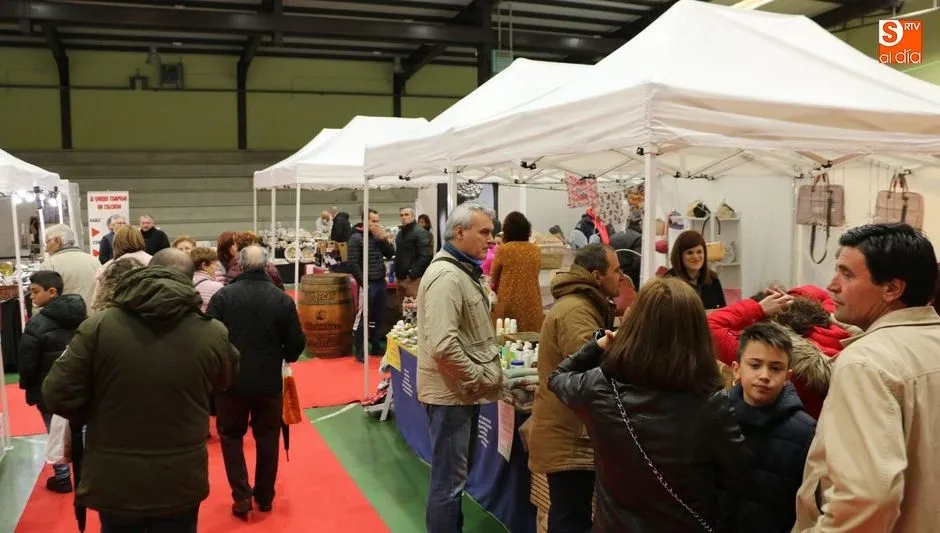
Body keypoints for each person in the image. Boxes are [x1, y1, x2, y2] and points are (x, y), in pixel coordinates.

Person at [42, 264, 240, 533]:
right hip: (180, 476)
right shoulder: (212, 332)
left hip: (115, 477)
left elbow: (56, 393)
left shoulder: (99, 327)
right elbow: (226, 379)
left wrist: (92, 414)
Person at [548, 276, 747, 532]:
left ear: (636, 326)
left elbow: (558, 377)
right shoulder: (712, 405)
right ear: (696, 334)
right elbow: (737, 478)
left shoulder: (600, 387)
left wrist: (598, 345)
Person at [794, 223, 940, 533]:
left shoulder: (865, 362)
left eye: (847, 274)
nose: (832, 285)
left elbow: (865, 501)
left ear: (892, 288)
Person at [417, 202, 504, 533]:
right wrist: (478, 377)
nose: (490, 239)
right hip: (451, 394)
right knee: (449, 483)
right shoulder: (447, 276)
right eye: (484, 232)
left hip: (456, 391)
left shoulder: (461, 270)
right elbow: (443, 346)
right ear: (459, 232)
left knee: (453, 480)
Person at [528, 244, 623, 532]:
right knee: (571, 518)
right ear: (596, 275)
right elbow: (589, 373)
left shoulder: (582, 306)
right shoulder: (577, 311)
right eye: (617, 270)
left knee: (571, 513)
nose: (621, 277)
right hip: (570, 434)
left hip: (571, 430)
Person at [207, 245, 305, 519]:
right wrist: (284, 355)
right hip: (268, 381)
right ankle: (265, 495)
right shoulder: (281, 299)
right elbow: (296, 343)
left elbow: (210, 336)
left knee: (230, 436)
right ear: (267, 265)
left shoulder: (223, 297)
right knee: (268, 436)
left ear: (239, 265)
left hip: (230, 380)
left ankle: (241, 495)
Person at [708, 285, 850, 418]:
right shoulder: (842, 333)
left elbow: (709, 326)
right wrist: (792, 300)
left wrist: (758, 309)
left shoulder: (768, 351)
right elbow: (821, 294)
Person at [728, 322, 815, 533]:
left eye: (775, 368)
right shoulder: (715, 416)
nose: (765, 375)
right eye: (755, 365)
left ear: (787, 377)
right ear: (736, 369)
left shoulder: (805, 431)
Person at [17, 270, 87, 493]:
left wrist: (27, 385)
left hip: (48, 389)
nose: (31, 296)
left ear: (52, 291)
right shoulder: (84, 318)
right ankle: (87, 475)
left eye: (35, 291)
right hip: (80, 386)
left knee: (55, 432)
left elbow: (27, 361)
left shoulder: (37, 324)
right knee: (83, 430)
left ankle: (63, 477)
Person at [348, 209, 395, 360]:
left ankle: (375, 345)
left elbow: (390, 253)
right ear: (365, 221)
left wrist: (382, 239)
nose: (376, 224)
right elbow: (353, 263)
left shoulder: (377, 237)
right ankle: (360, 350)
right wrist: (363, 283)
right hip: (367, 283)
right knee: (363, 317)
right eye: (373, 221)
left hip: (380, 281)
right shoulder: (356, 238)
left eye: (377, 221)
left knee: (378, 316)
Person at [490, 211, 545, 333]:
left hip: (509, 301)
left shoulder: (503, 250)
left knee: (510, 335)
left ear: (507, 230)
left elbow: (493, 277)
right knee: (531, 338)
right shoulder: (535, 250)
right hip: (533, 301)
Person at [40, 224, 101, 309]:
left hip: (64, 316)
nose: (46, 249)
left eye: (47, 242)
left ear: (57, 241)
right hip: (93, 315)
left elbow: (43, 300)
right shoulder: (94, 261)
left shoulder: (49, 265)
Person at [665, 230, 725, 310]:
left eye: (699, 252)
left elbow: (724, 311)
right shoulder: (667, 282)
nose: (696, 257)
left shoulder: (713, 278)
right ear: (679, 256)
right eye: (690, 253)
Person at [394, 207, 432, 298]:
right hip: (400, 278)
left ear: (413, 216)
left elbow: (426, 256)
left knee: (415, 305)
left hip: (414, 280)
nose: (403, 217)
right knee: (401, 305)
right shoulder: (400, 234)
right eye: (401, 215)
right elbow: (399, 254)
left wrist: (412, 275)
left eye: (406, 215)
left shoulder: (421, 232)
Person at [191, 247, 224, 313]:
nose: (216, 268)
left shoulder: (184, 282)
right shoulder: (217, 287)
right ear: (204, 265)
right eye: (215, 264)